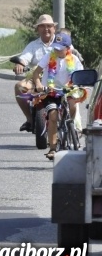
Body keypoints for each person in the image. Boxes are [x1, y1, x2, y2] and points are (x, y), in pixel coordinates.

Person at [31, 32, 84, 160]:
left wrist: (74, 84)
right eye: (55, 48)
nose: (57, 50)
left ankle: (71, 126)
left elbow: (80, 76)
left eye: (60, 48)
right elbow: (36, 73)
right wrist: (38, 84)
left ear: (67, 48)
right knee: (53, 115)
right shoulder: (49, 56)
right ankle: (53, 148)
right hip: (51, 91)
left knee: (72, 106)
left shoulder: (74, 59)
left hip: (68, 91)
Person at [13, 14, 57, 132]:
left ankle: (72, 123)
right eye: (42, 26)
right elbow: (25, 57)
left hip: (58, 80)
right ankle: (30, 119)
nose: (46, 29)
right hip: (36, 79)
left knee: (73, 94)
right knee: (19, 87)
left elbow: (71, 56)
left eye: (49, 26)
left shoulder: (61, 42)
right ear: (38, 29)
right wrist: (20, 64)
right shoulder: (33, 45)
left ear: (54, 28)